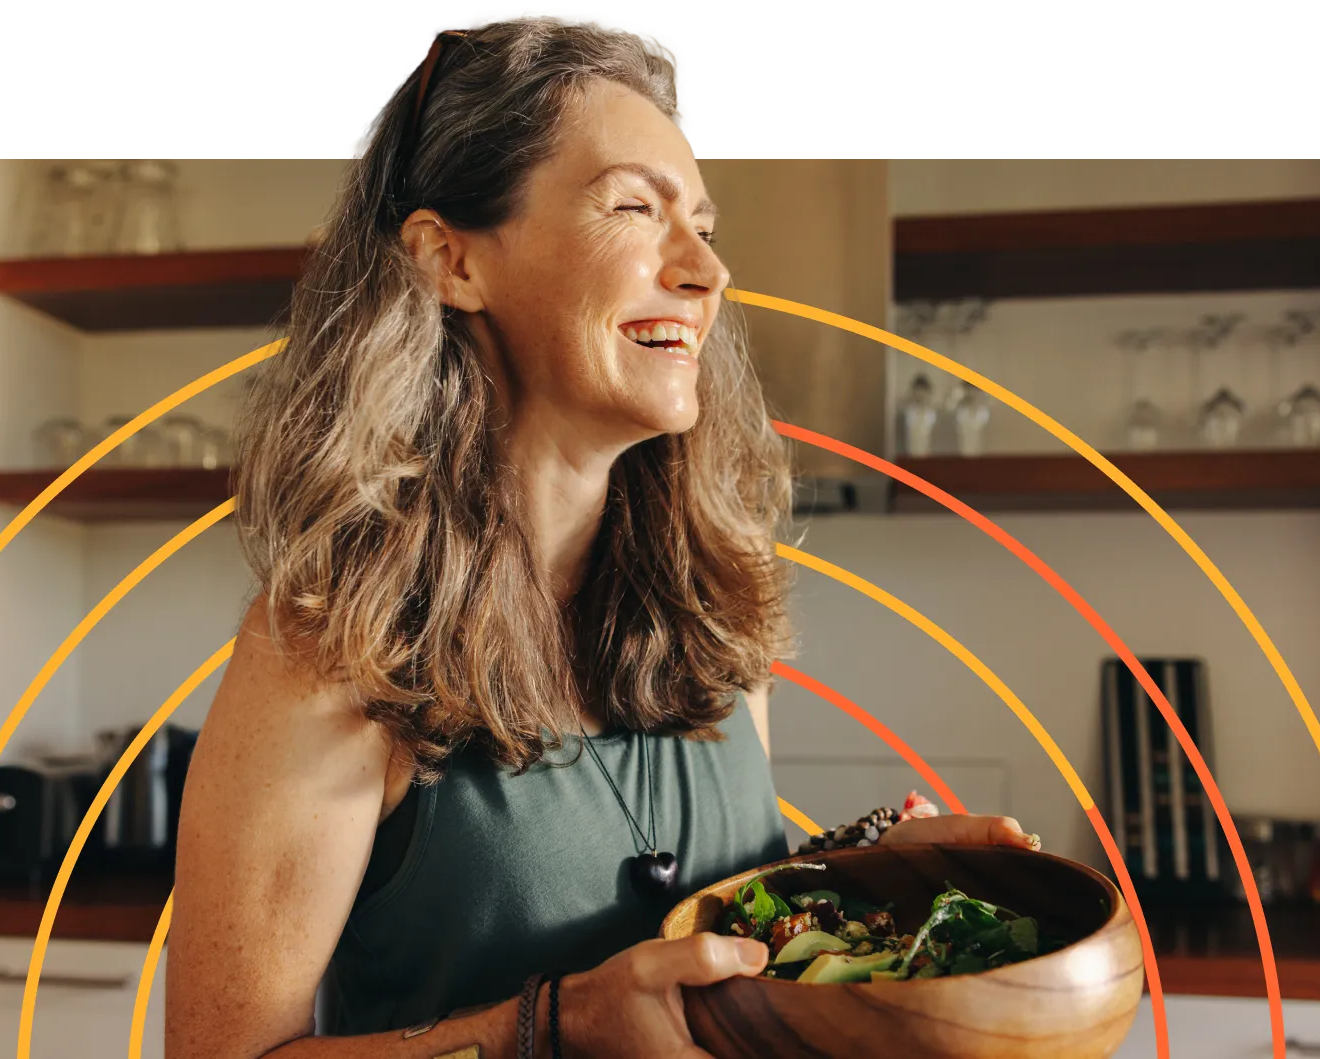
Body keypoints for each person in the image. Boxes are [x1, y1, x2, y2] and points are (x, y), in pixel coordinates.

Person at [167, 11, 1036, 1058]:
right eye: (634, 207)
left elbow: (711, 923)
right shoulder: (326, 648)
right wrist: (555, 1027)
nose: (705, 274)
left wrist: (866, 874)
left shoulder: (719, 595)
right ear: (453, 263)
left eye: (705, 230)